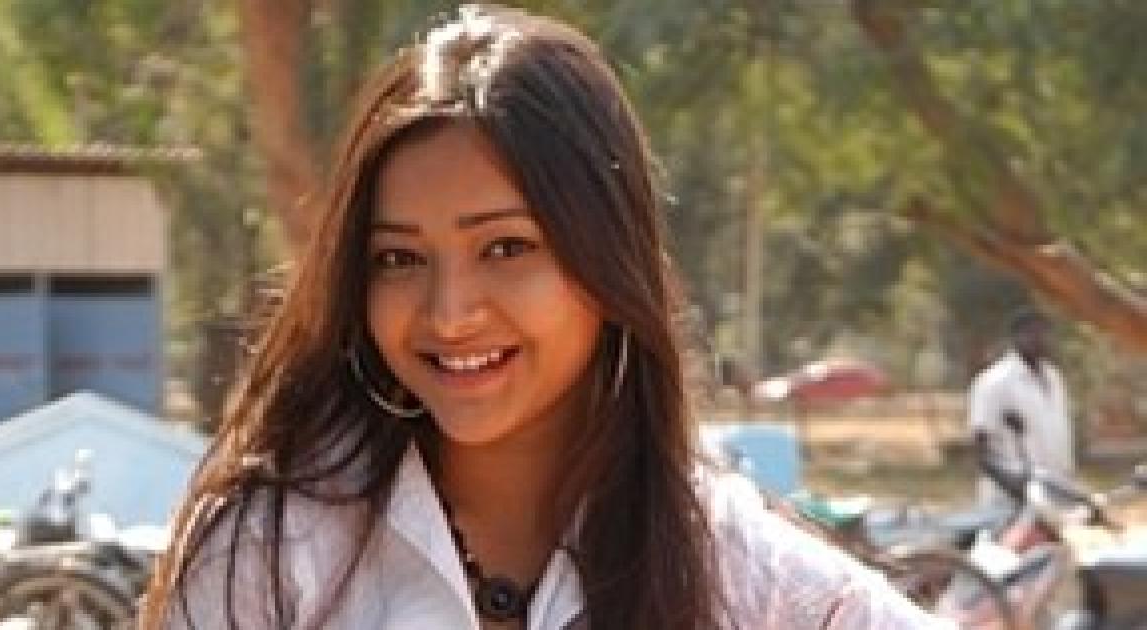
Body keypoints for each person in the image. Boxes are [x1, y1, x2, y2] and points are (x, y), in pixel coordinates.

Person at [140, 6, 953, 629]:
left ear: (605, 256)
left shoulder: (740, 573)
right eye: (399, 259)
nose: (449, 313)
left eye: (505, 248)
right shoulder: (273, 552)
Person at [969, 308, 1074, 506]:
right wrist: (1014, 483)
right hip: (1011, 497)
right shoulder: (994, 381)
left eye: (1043, 332)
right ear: (1016, 337)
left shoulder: (1054, 377)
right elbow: (981, 447)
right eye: (1031, 332)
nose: (1039, 339)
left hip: (1056, 491)